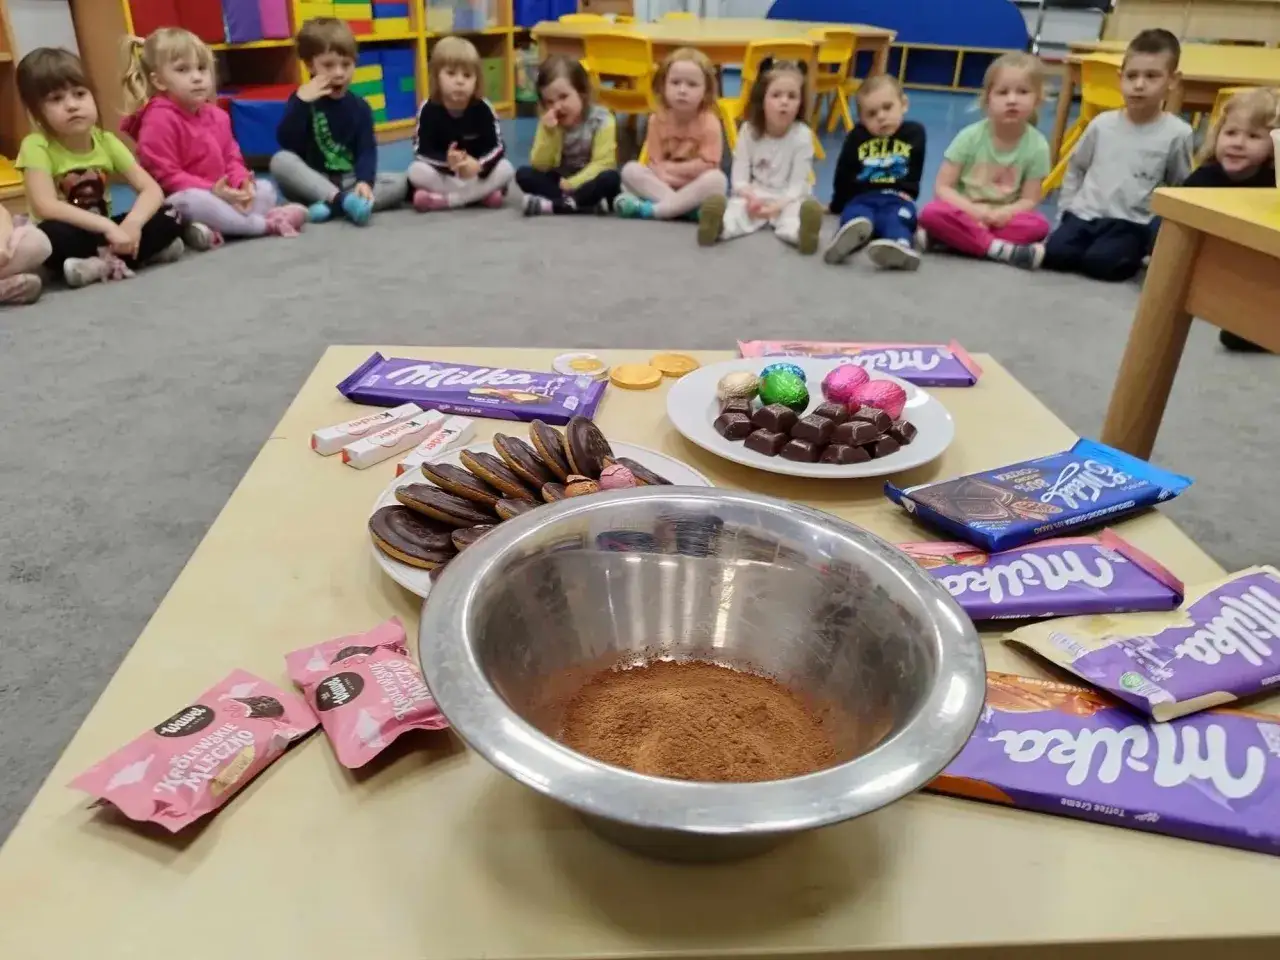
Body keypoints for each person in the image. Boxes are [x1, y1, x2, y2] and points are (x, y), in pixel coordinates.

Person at [16, 46, 186, 288]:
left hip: (105, 233)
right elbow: (45, 206)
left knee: (173, 212)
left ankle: (99, 263)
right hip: (71, 232)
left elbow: (151, 189)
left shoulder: (106, 140)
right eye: (56, 99)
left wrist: (133, 223)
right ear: (36, 112)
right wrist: (106, 226)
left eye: (79, 94)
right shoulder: (36, 146)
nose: (72, 105)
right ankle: (136, 255)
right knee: (48, 235)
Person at [120, 27, 308, 244]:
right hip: (183, 197)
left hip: (223, 195)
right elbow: (166, 177)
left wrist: (241, 183)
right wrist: (213, 191)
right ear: (159, 81)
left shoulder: (218, 115)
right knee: (192, 202)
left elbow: (232, 158)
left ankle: (217, 228)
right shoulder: (157, 119)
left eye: (201, 69)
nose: (197, 78)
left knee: (264, 189)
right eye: (183, 70)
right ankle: (263, 224)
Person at [1040, 29, 1193, 282]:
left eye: (1152, 76)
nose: (1139, 85)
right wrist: (1065, 211)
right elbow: (1076, 168)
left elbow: (1180, 186)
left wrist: (1159, 235)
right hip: (1084, 214)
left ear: (1173, 80)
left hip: (1129, 222)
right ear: (1120, 78)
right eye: (1132, 76)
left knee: (1103, 265)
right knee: (1055, 255)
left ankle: (1131, 250)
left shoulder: (1178, 133)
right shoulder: (1102, 124)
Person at [917, 53, 1051, 269]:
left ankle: (953, 239)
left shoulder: (1038, 146)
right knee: (932, 212)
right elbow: (942, 188)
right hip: (965, 212)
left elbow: (1030, 200)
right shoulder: (969, 137)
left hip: (1002, 219)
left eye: (1023, 92)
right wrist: (975, 212)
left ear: (1038, 98)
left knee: (1039, 226)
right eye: (1003, 92)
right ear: (988, 98)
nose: (1012, 100)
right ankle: (999, 249)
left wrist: (1004, 213)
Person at [269, 17, 408, 225]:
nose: (339, 73)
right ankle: (343, 202)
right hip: (313, 181)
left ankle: (332, 206)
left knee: (402, 183)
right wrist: (301, 103)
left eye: (346, 64)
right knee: (280, 161)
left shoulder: (361, 107)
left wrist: (365, 182)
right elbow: (287, 142)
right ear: (310, 65)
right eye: (328, 65)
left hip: (350, 181)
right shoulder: (302, 100)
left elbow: (366, 151)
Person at [1185, 86, 1280, 352]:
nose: (1238, 143)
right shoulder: (1202, 180)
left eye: (1253, 136)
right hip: (1206, 268)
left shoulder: (1273, 185)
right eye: (1230, 133)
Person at [697, 58, 824, 254]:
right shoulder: (749, 130)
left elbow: (797, 186)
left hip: (788, 197)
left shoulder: (803, 135)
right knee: (736, 210)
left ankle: (802, 235)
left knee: (794, 215)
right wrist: (750, 197)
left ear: (800, 103)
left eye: (792, 97)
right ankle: (718, 228)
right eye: (776, 95)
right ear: (762, 100)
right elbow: (739, 178)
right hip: (756, 193)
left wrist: (776, 207)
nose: (784, 102)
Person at [824, 75, 927, 270]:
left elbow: (913, 171)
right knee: (855, 216)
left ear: (903, 105)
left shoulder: (914, 133)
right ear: (862, 119)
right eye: (871, 114)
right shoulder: (857, 137)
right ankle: (847, 241)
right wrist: (837, 204)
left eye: (887, 108)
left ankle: (899, 246)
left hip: (898, 197)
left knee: (898, 218)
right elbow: (843, 172)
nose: (881, 116)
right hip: (863, 197)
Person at [616, 47, 727, 221]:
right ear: (663, 85)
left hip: (695, 185)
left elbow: (708, 166)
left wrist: (671, 170)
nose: (682, 90)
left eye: (692, 84)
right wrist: (666, 173)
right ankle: (685, 210)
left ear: (705, 91)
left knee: (717, 180)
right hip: (664, 184)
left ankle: (655, 210)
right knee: (630, 170)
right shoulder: (657, 120)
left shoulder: (710, 122)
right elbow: (655, 164)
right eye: (675, 83)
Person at [408, 36, 514, 212]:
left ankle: (447, 201)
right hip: (445, 175)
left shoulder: (484, 108)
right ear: (437, 77)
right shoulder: (427, 109)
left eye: (467, 75)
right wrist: (448, 163)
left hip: (476, 174)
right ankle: (480, 196)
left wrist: (478, 165)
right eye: (451, 73)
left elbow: (497, 147)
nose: (459, 81)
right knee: (415, 171)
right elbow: (421, 151)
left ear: (476, 81)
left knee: (506, 168)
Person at [517, 55, 621, 216]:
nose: (557, 106)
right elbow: (540, 165)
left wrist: (572, 184)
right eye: (549, 102)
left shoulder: (602, 119)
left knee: (610, 178)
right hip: (560, 181)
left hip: (588, 181)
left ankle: (558, 204)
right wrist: (549, 133)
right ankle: (578, 204)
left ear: (582, 93)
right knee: (524, 174)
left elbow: (603, 163)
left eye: (563, 97)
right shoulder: (549, 121)